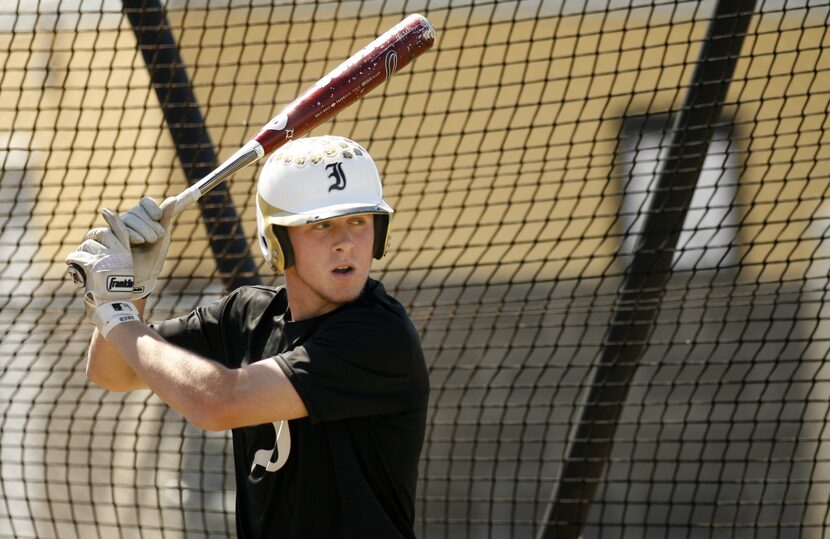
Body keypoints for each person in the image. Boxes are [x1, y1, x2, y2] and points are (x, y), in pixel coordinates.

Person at [66, 135, 430, 538]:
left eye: (359, 222)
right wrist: (132, 295)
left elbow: (217, 403)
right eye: (322, 225)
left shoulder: (378, 337)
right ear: (277, 240)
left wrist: (115, 314)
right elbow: (113, 373)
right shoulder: (246, 314)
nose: (346, 243)